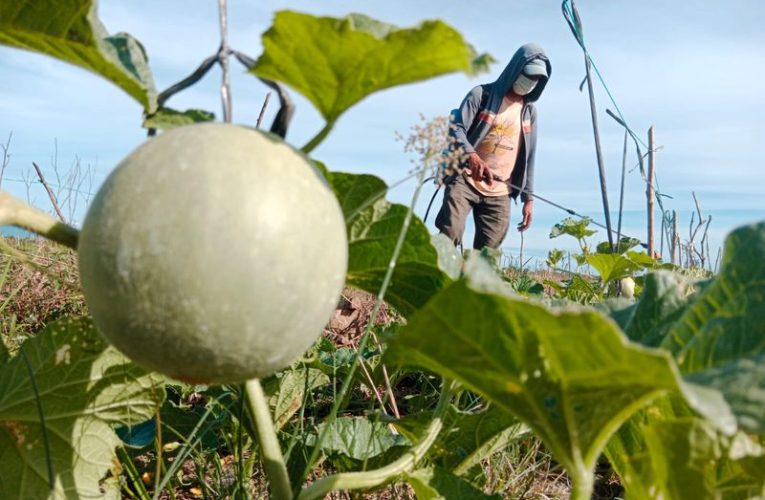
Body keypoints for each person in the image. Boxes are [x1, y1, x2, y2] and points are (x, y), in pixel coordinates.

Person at [435, 43, 551, 250]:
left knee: (488, 254)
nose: (531, 82)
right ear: (516, 69)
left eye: (537, 79)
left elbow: (530, 157)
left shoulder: (528, 113)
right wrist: (472, 155)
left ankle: (471, 281)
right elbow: (457, 127)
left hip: (501, 190)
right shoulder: (481, 95)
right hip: (465, 178)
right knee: (449, 233)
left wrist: (528, 199)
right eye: (529, 75)